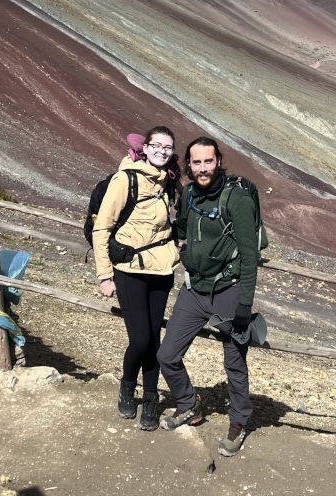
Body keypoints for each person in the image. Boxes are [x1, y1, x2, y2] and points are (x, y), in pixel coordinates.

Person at [157, 137, 259, 457]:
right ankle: (190, 404)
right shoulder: (189, 194)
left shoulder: (237, 198)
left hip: (227, 292)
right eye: (196, 163)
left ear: (218, 161)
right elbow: (184, 228)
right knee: (167, 355)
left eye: (208, 162)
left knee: (234, 363)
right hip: (194, 289)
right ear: (189, 165)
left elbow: (248, 253)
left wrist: (244, 303)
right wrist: (185, 251)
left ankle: (239, 421)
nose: (202, 169)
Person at [93, 125, 180, 430]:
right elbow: (101, 229)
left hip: (161, 272)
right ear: (145, 147)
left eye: (167, 147)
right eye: (156, 145)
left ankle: (152, 398)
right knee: (141, 339)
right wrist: (105, 275)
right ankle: (128, 386)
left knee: (153, 341)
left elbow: (173, 225)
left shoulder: (170, 183)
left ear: (172, 152)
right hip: (130, 271)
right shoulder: (125, 179)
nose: (161, 151)